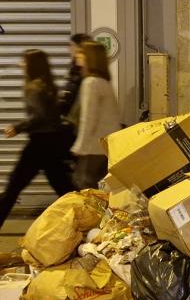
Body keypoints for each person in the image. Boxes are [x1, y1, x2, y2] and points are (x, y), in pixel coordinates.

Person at [0, 50, 75, 229]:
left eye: (24, 62)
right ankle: (86, 216)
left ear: (32, 65)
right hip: (51, 142)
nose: (20, 65)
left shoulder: (33, 87)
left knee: (14, 186)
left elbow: (39, 116)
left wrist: (17, 127)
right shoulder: (47, 85)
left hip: (39, 143)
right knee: (63, 187)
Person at [71, 41, 121, 189]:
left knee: (85, 185)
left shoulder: (90, 83)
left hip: (92, 147)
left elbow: (88, 118)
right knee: (99, 187)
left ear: (89, 57)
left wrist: (80, 146)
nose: (77, 55)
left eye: (81, 53)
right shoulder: (103, 82)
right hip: (105, 147)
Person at [58, 33, 92, 130]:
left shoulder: (84, 70)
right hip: (73, 118)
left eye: (71, 45)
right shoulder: (74, 68)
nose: (69, 49)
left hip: (80, 120)